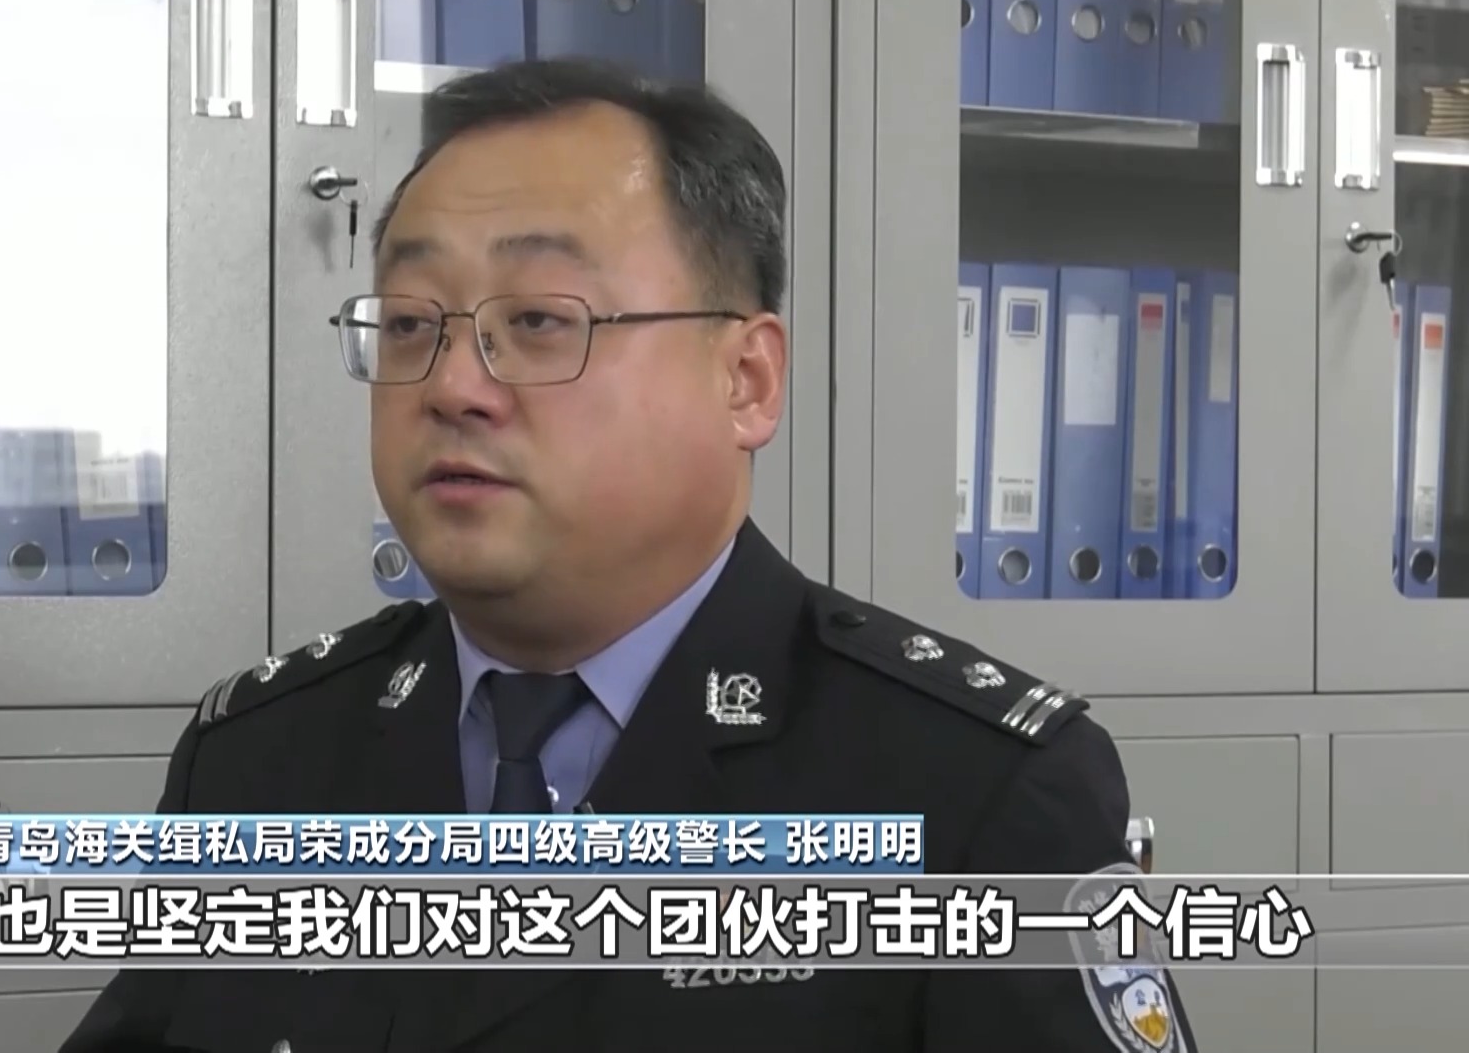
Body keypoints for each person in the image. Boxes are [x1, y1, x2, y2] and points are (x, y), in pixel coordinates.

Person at [61, 58, 1198, 1053]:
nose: (452, 386)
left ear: (745, 380)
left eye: (539, 322)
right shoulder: (258, 765)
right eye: (410, 324)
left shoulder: (973, 795)